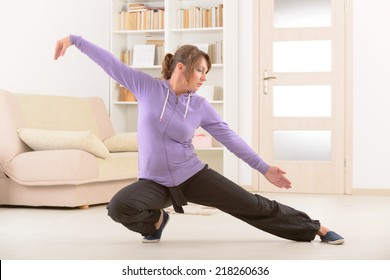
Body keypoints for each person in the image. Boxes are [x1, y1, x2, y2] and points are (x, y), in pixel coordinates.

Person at [54, 35, 344, 245]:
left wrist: (263, 168)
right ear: (181, 67)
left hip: (192, 175)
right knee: (118, 207)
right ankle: (154, 224)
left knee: (252, 206)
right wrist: (75, 40)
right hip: (154, 182)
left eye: (207, 71)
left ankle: (314, 228)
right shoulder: (146, 87)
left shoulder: (201, 105)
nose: (204, 77)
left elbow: (229, 139)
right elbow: (111, 65)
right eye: (200, 70)